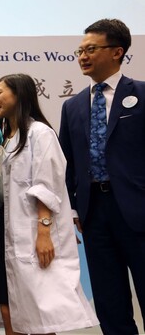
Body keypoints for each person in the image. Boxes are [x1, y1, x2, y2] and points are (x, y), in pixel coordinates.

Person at [0, 73, 98, 334]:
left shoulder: (40, 133)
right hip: (6, 229)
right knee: (8, 306)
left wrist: (44, 231)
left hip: (33, 229)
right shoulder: (4, 139)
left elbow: (47, 185)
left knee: (42, 311)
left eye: (0, 93)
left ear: (19, 94)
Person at [58, 18, 145, 335]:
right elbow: (66, 163)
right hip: (94, 214)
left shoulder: (142, 95)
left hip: (138, 211)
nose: (83, 56)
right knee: (110, 303)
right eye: (80, 50)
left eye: (91, 49)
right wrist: (71, 208)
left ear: (117, 51)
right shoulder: (73, 106)